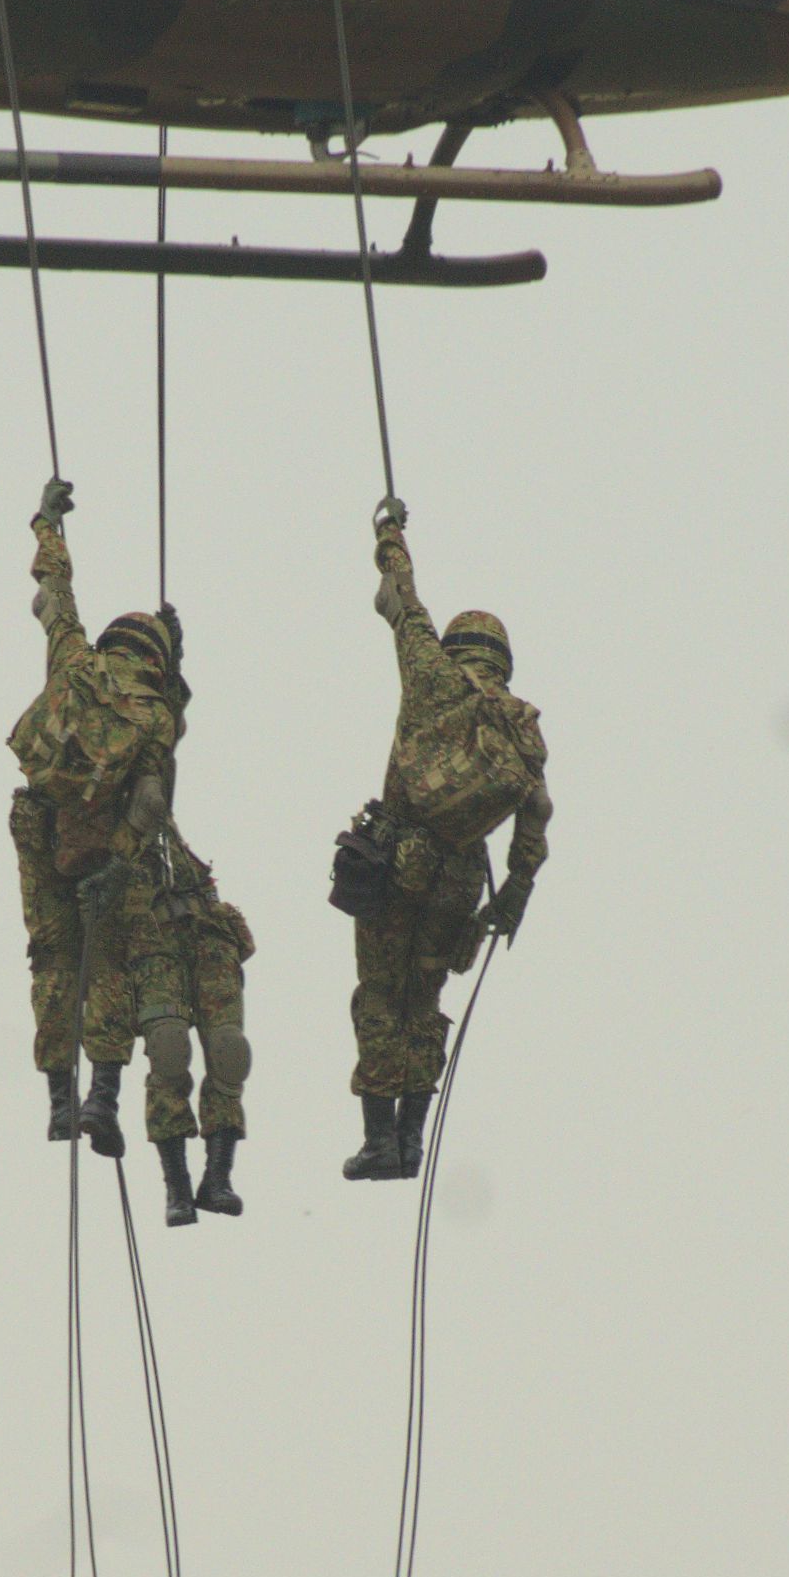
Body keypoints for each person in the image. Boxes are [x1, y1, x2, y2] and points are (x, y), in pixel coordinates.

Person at [335, 499, 547, 1180]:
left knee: (378, 998)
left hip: (397, 865)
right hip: (458, 881)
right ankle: (411, 1140)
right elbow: (537, 809)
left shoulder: (431, 674)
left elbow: (403, 600)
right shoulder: (520, 723)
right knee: (423, 1003)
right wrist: (512, 894)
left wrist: (389, 533)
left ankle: (375, 1141)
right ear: (505, 662)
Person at [6, 475, 183, 1157]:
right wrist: (119, 858)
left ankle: (57, 1099)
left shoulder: (76, 662)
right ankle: (98, 1100)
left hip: (40, 830)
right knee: (107, 963)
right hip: (103, 848)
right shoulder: (156, 713)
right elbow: (153, 798)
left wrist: (47, 523)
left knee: (51, 959)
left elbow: (55, 597)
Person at [136, 825, 255, 1224]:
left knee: (230, 1052)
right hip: (152, 939)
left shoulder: (159, 809)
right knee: (168, 1050)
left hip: (209, 934)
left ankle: (217, 1179)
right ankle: (177, 1186)